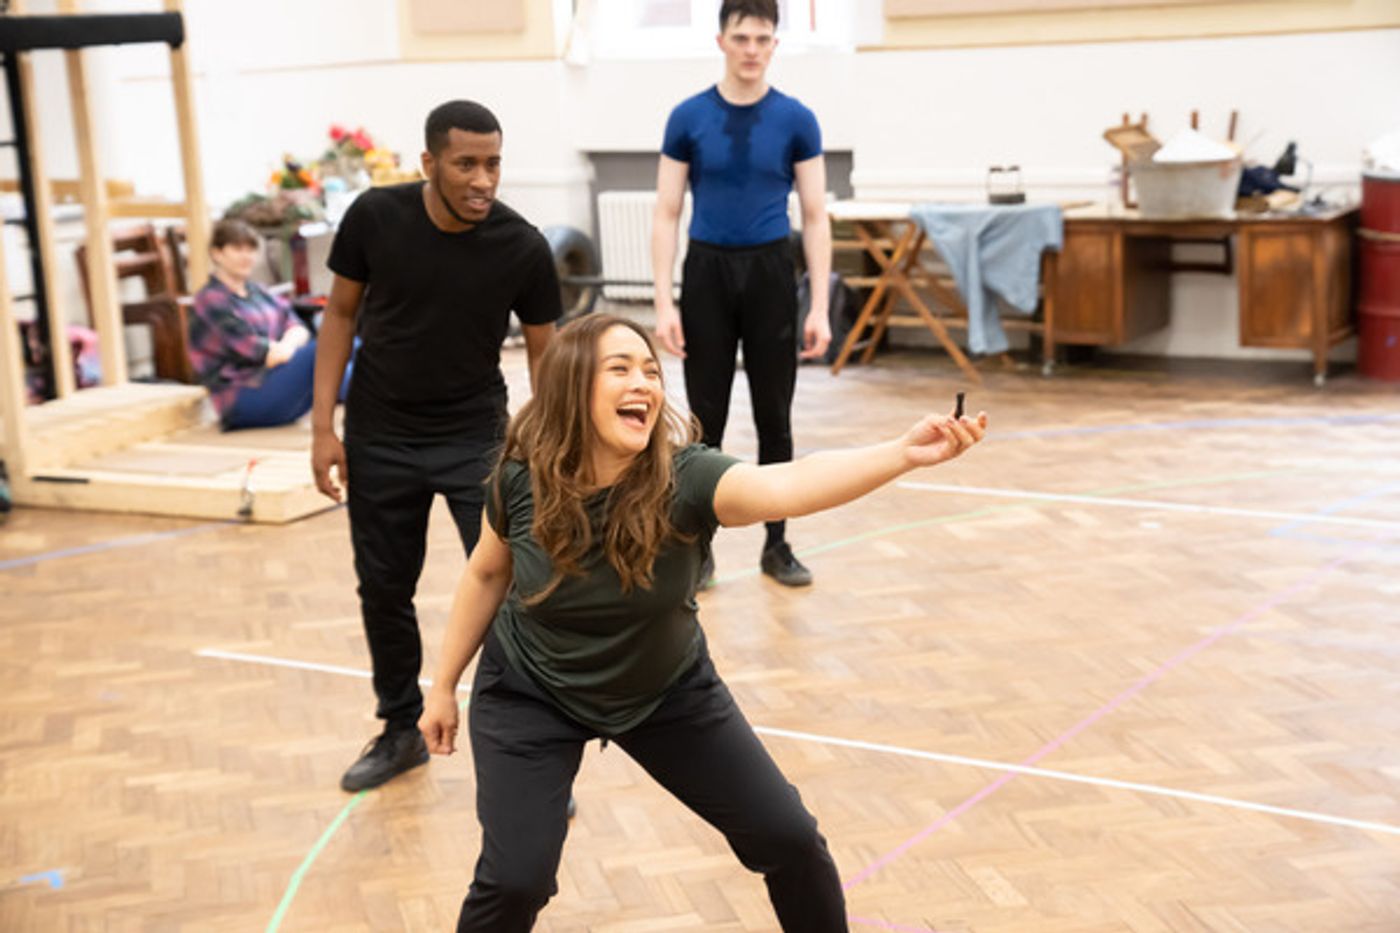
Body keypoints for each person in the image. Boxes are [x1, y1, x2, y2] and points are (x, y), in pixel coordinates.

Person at [418, 314, 988, 930]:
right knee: (515, 880)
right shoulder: (521, 479)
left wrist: (900, 453)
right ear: (571, 386)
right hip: (531, 692)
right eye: (620, 369)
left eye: (651, 371)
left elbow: (789, 483)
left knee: (791, 841)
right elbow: (485, 575)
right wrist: (444, 685)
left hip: (665, 690)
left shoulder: (686, 477)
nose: (644, 383)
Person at [312, 100, 561, 793]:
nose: (484, 179)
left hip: (476, 435)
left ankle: (531, 748)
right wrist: (321, 428)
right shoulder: (375, 218)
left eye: (494, 163)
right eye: (467, 164)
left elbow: (550, 360)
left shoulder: (523, 246)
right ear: (429, 164)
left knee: (514, 586)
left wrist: (551, 453)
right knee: (384, 587)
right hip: (380, 432)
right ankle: (399, 730)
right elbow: (339, 312)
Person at [651, 0, 832, 588]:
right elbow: (666, 211)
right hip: (706, 274)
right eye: (742, 37)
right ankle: (696, 549)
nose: (752, 48)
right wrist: (662, 301)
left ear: (774, 44)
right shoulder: (687, 117)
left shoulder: (797, 119)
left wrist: (821, 307)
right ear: (722, 41)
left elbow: (815, 214)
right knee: (706, 419)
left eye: (763, 38)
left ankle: (777, 546)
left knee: (774, 416)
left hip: (771, 275)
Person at [187, 219, 347, 430]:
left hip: (279, 383)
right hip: (242, 399)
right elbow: (255, 349)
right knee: (332, 346)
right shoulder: (209, 299)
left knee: (349, 354)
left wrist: (286, 347)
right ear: (216, 253)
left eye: (251, 249)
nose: (247, 256)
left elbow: (296, 326)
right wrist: (284, 348)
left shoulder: (259, 292)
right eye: (237, 249)